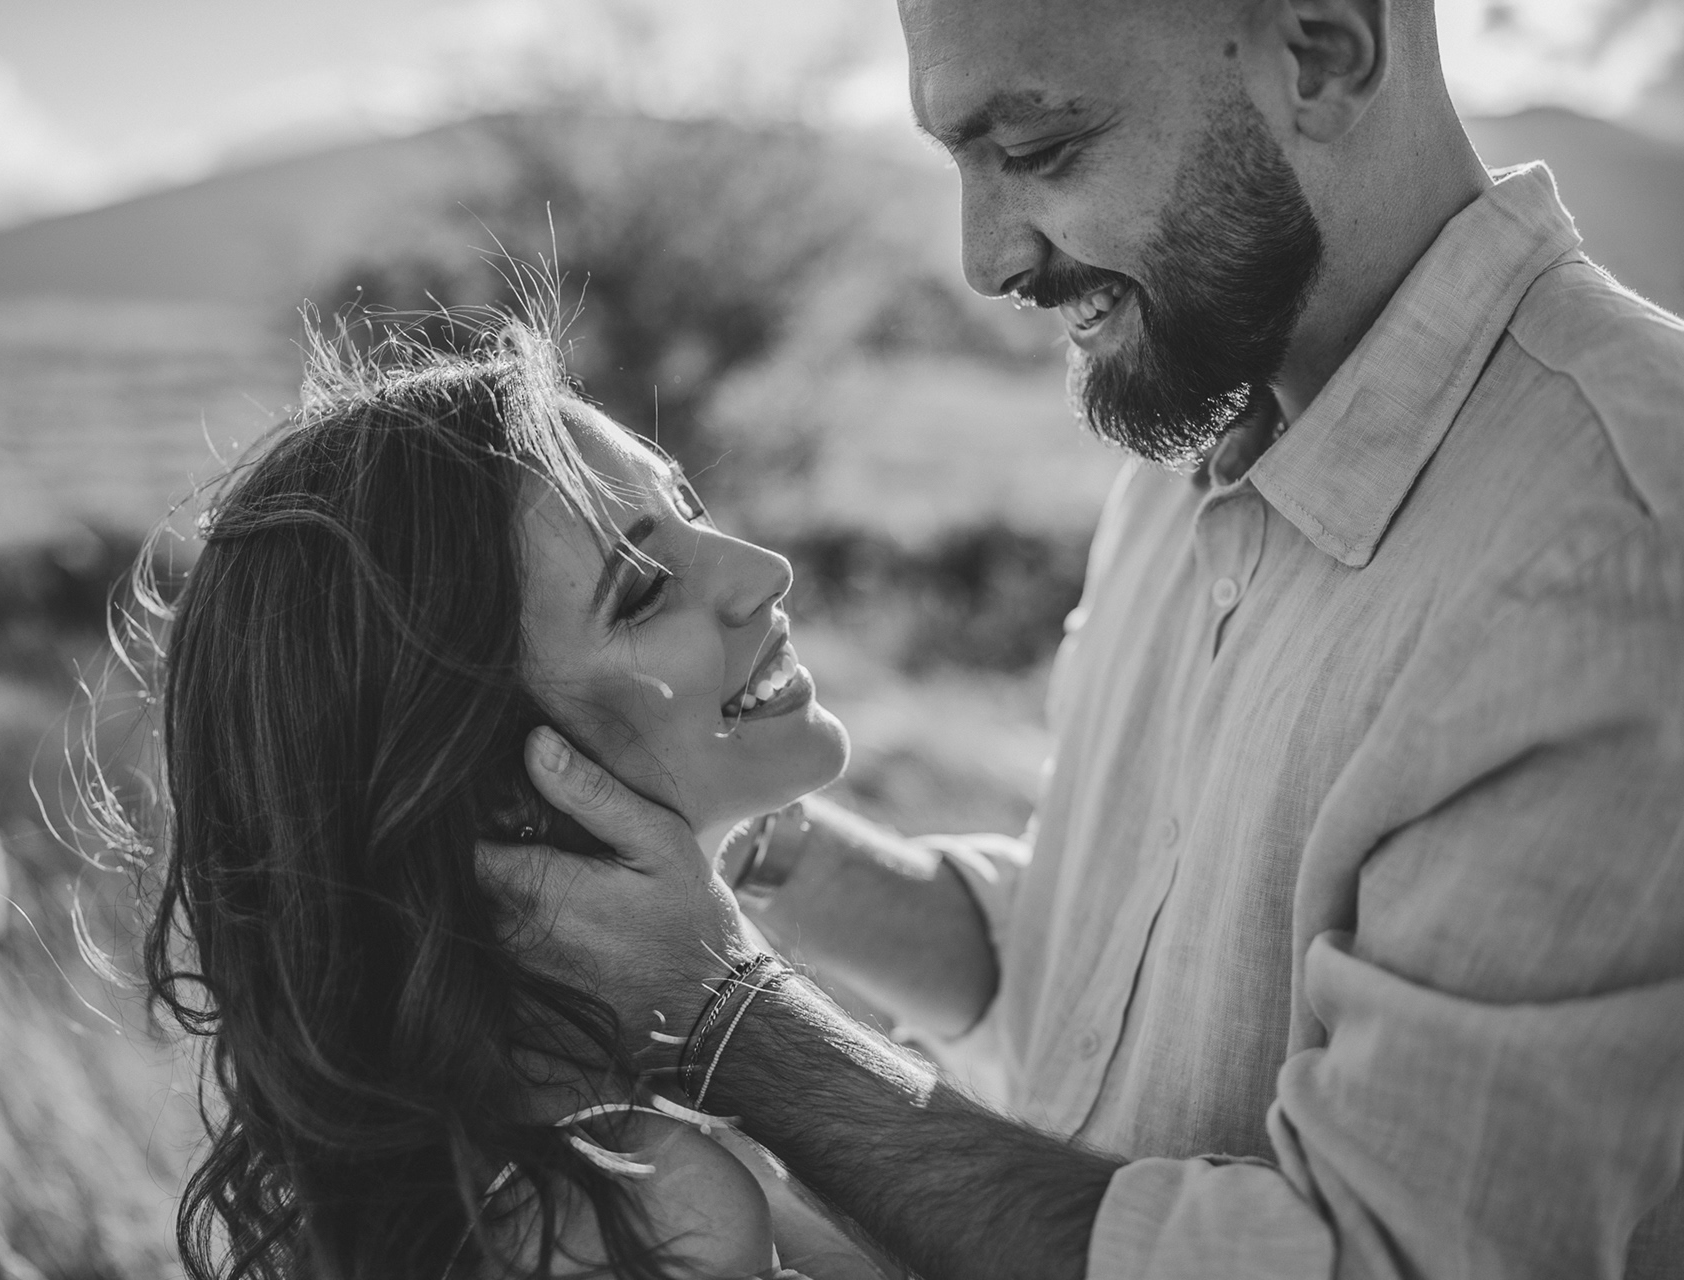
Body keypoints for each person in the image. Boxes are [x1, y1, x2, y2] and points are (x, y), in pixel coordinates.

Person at [497, 0, 1684, 1277]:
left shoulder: (1611, 548)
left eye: (1038, 149)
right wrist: (729, 829)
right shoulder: (1199, 431)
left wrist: (732, 1023)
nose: (984, 257)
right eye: (958, 160)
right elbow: (1090, 971)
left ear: (1323, 52)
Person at [135, 317, 899, 1279]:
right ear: (494, 786)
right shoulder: (638, 1208)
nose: (762, 570)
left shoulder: (557, 1143)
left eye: (690, 507)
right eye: (644, 590)